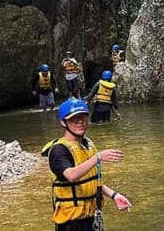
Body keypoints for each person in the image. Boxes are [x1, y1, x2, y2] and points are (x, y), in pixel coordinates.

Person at [41, 98, 132, 231]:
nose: (80, 122)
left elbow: (92, 180)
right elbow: (71, 175)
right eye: (74, 119)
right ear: (63, 122)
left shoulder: (87, 144)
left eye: (83, 117)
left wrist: (114, 195)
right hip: (71, 222)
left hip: (92, 216)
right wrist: (98, 157)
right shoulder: (59, 150)